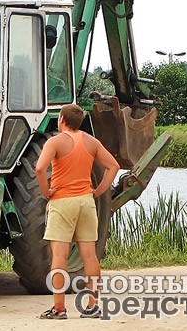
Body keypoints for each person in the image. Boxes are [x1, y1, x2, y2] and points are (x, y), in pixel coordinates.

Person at [35, 104, 120, 320]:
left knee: (60, 256)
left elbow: (39, 168)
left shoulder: (55, 141)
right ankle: (92, 306)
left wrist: (47, 192)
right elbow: (113, 166)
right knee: (89, 256)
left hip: (63, 202)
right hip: (86, 202)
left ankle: (59, 308)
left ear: (62, 119)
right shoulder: (91, 142)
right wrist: (98, 191)